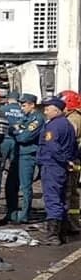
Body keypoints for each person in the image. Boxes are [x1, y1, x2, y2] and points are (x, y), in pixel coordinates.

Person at [35, 96, 79, 246]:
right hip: (62, 167)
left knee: (52, 199)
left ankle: (53, 235)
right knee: (62, 198)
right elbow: (74, 148)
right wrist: (70, 160)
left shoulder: (53, 126)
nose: (45, 112)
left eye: (48, 109)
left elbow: (52, 146)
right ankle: (62, 233)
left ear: (56, 110)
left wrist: (63, 160)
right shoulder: (67, 124)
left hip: (53, 166)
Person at [9, 94, 43, 223]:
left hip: (28, 155)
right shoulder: (26, 117)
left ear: (32, 105)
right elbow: (11, 130)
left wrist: (18, 132)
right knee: (12, 184)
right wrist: (18, 131)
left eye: (24, 105)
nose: (21, 108)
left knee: (25, 186)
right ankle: (12, 212)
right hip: (19, 153)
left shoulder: (37, 119)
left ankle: (24, 215)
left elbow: (24, 137)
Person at [0, 92, 24, 202]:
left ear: (8, 99)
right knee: (15, 168)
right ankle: (15, 190)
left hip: (3, 140)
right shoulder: (22, 110)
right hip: (17, 141)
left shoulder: (2, 109)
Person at [61, 91, 81, 234]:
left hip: (71, 160)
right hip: (77, 160)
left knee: (67, 191)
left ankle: (67, 223)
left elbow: (68, 140)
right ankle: (74, 222)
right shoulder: (78, 117)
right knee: (73, 193)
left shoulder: (72, 120)